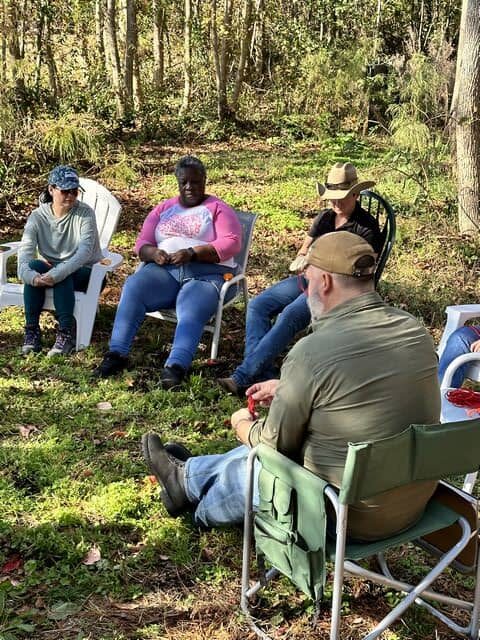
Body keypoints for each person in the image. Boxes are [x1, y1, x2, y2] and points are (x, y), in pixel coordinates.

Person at [142, 231, 441, 541]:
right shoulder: (414, 330)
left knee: (270, 461)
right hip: (411, 502)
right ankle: (188, 476)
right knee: (310, 437)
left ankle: (199, 503)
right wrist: (290, 387)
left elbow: (273, 447)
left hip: (344, 516)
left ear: (324, 282)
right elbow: (366, 387)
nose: (306, 288)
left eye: (307, 280)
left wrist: (241, 424)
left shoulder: (312, 352)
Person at [217, 161, 383, 396]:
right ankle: (261, 372)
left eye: (341, 197)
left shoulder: (365, 228)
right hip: (308, 278)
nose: (335, 202)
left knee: (291, 315)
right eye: (332, 197)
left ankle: (243, 376)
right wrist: (302, 260)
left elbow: (363, 271)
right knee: (257, 306)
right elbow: (304, 249)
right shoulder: (326, 218)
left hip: (335, 288)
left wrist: (324, 269)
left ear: (355, 194)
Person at [94, 155, 242, 388]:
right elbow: (142, 243)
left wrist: (193, 253)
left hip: (207, 274)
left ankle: (176, 366)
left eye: (195, 182)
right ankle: (116, 354)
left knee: (192, 304)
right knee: (134, 286)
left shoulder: (218, 209)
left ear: (204, 180)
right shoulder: (165, 208)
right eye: (184, 182)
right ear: (178, 182)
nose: (189, 187)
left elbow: (231, 243)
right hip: (166, 271)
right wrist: (153, 253)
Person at [18, 165, 103, 357]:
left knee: (65, 274)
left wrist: (55, 274)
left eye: (74, 192)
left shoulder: (85, 214)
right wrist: (32, 277)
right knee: (34, 267)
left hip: (87, 271)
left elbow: (83, 253)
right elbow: (24, 256)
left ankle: (65, 333)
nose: (70, 196)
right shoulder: (37, 217)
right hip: (51, 269)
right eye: (65, 191)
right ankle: (31, 330)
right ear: (51, 189)